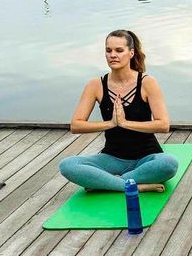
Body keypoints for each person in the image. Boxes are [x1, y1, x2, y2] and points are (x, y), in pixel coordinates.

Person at [59, 29, 178, 193]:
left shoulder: (146, 83)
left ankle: (108, 182)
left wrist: (124, 123)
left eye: (119, 50)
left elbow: (163, 125)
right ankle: (131, 185)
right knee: (67, 165)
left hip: (146, 158)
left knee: (169, 164)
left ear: (131, 53)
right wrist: (111, 123)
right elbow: (76, 125)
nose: (113, 55)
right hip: (112, 158)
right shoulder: (96, 85)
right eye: (108, 51)